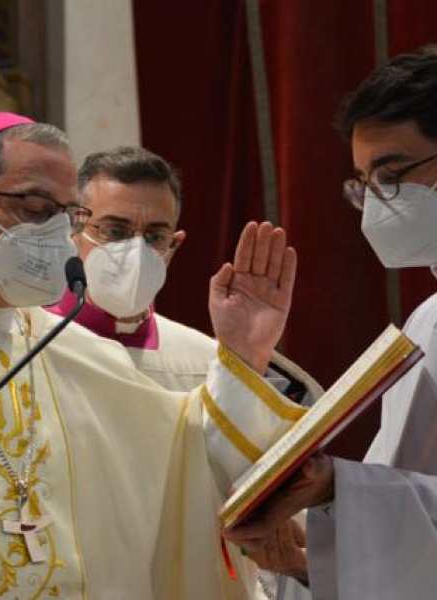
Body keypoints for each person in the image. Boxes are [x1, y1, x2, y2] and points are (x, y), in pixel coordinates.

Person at [0, 112, 308, 600]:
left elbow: (190, 464)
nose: (59, 234)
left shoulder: (77, 354)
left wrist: (244, 355)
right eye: (38, 208)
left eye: (69, 216)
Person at [47, 145, 322, 599]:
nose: (134, 249)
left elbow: (263, 510)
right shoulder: (26, 350)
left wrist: (248, 357)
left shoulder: (212, 362)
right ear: (74, 226)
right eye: (114, 230)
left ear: (174, 246)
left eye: (154, 235)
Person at [226, 45, 437, 600]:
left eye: (392, 176)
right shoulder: (426, 320)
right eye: (364, 184)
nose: (375, 204)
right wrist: (311, 562)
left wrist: (336, 489)